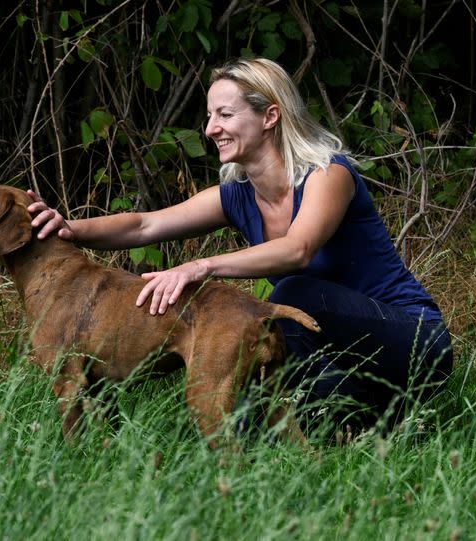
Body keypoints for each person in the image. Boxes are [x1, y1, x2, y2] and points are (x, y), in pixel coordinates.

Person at [27, 57, 453, 430]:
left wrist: (200, 266)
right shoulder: (236, 195)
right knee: (255, 412)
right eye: (210, 116)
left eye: (225, 115)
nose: (211, 128)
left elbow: (297, 249)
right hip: (341, 356)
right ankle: (381, 422)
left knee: (294, 294)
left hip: (414, 341)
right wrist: (69, 227)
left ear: (269, 116)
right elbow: (143, 226)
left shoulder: (329, 175)